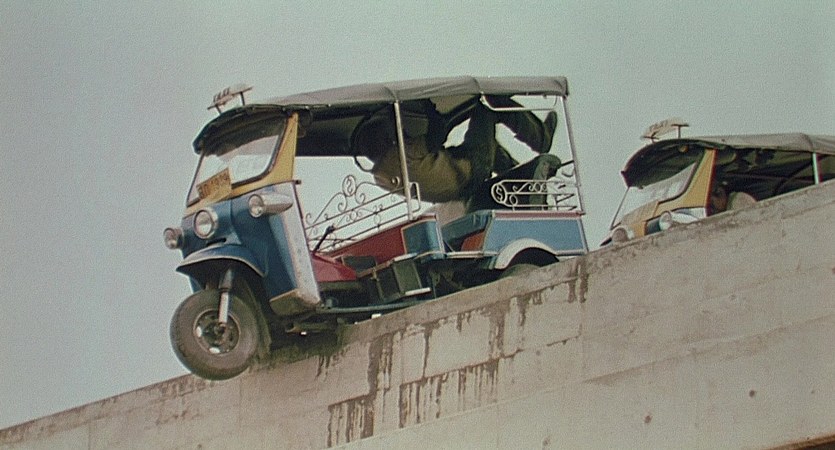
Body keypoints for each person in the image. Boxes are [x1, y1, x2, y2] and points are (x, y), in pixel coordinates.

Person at [354, 98, 557, 204]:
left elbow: (416, 159)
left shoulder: (380, 176)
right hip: (469, 171)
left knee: (489, 147)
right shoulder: (399, 155)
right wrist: (429, 107)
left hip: (458, 189)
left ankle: (521, 179)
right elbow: (437, 135)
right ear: (383, 140)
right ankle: (541, 138)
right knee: (486, 110)